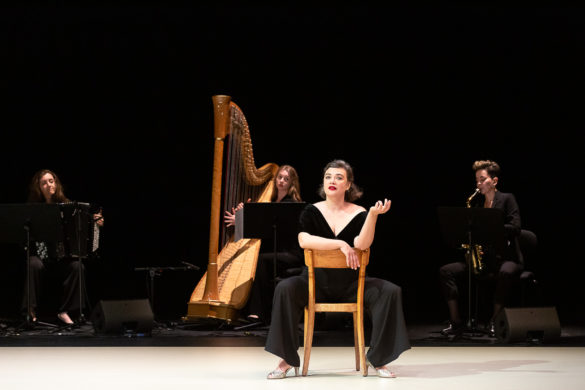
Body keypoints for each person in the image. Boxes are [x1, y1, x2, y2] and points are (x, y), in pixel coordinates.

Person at [265, 159, 410, 379]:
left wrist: (372, 216)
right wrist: (341, 244)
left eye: (339, 177)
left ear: (348, 185)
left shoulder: (360, 213)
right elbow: (304, 240)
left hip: (352, 284)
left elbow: (362, 244)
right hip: (315, 283)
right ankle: (286, 359)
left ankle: (379, 359)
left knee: (390, 291)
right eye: (328, 177)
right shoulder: (311, 211)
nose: (332, 181)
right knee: (285, 288)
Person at [439, 160, 522, 337]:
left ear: (494, 181)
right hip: (485, 260)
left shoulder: (507, 199)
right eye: (477, 180)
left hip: (507, 258)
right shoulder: (477, 206)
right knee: (446, 271)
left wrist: (493, 227)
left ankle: (495, 321)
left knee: (506, 273)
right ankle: (456, 322)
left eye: (482, 179)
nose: (478, 184)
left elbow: (516, 227)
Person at [22, 169, 104, 325]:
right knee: (33, 263)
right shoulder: (34, 208)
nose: (48, 185)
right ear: (38, 187)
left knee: (77, 266)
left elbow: (84, 224)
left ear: (56, 183)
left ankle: (65, 311)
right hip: (42, 257)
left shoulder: (69, 207)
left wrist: (95, 222)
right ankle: (30, 311)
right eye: (44, 183)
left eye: (51, 181)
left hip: (63, 258)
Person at [224, 165, 303, 323]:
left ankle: (257, 312)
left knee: (260, 261)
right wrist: (243, 215)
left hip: (291, 254)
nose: (281, 181)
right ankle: (245, 309)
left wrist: (242, 221)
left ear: (292, 183)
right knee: (255, 259)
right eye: (279, 177)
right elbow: (261, 228)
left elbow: (267, 228)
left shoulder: (290, 204)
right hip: (276, 251)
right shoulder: (271, 200)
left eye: (286, 179)